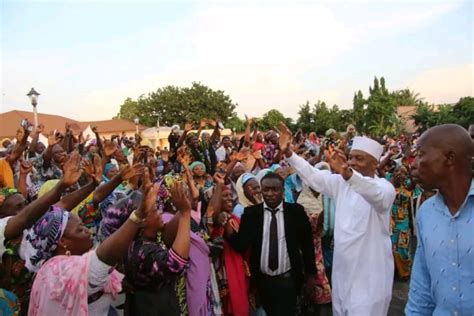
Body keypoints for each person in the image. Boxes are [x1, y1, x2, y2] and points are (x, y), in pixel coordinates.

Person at [279, 123, 396, 315]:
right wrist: (289, 153)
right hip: (343, 276)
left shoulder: (384, 187)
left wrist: (348, 174)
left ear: (375, 163)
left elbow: (376, 196)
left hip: (370, 279)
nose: (353, 162)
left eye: (360, 158)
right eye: (351, 157)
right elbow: (313, 177)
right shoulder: (341, 183)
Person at [223, 172, 316, 316]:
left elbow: (307, 245)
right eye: (265, 190)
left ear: (282, 191)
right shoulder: (251, 214)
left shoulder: (295, 212)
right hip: (263, 282)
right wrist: (229, 233)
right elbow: (241, 245)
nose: (270, 194)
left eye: (275, 189)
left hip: (288, 280)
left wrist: (311, 275)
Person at [405, 124, 474, 315]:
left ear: (449, 158)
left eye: (421, 154)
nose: (414, 163)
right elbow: (421, 288)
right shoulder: (426, 213)